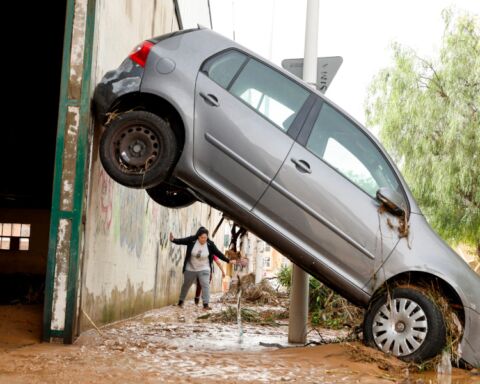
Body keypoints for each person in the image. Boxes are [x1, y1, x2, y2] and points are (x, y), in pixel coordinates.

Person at [169, 226, 233, 310]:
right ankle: (181, 302)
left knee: (205, 284)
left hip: (204, 268)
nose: (204, 240)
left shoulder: (210, 244)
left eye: (205, 238)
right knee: (186, 285)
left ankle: (205, 304)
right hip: (190, 268)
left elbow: (218, 253)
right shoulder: (192, 240)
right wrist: (173, 239)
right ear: (198, 237)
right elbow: (182, 241)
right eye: (202, 238)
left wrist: (228, 261)